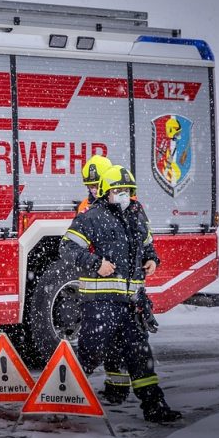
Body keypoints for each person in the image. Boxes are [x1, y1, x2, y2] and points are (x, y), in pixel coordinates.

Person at [60, 165, 182, 423]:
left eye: (127, 190)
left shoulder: (137, 215)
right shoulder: (91, 217)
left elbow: (147, 245)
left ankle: (154, 406)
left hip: (131, 302)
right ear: (106, 192)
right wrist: (96, 264)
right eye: (118, 190)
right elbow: (67, 248)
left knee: (139, 354)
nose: (123, 194)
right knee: (89, 353)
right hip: (101, 302)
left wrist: (152, 260)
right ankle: (59, 400)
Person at [77, 155, 131, 404]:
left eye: (95, 184)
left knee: (117, 341)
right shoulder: (87, 208)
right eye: (88, 185)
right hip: (97, 284)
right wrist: (93, 264)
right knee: (95, 340)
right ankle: (74, 387)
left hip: (122, 286)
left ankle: (116, 388)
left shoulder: (129, 207)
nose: (92, 190)